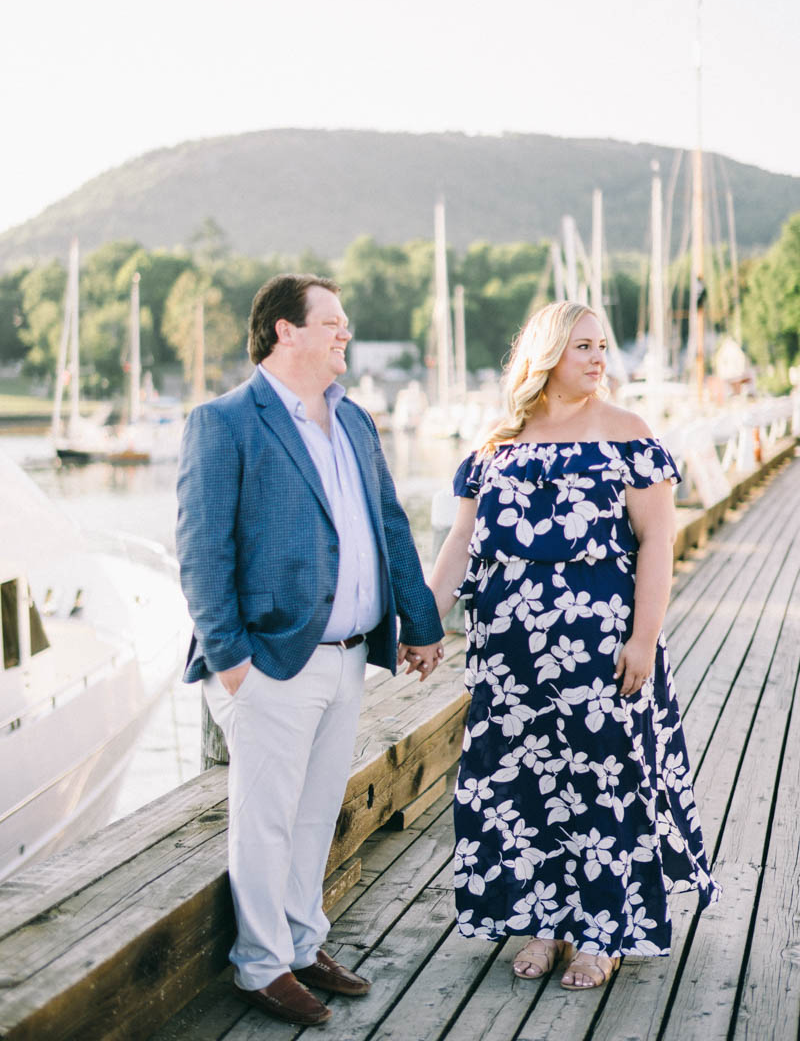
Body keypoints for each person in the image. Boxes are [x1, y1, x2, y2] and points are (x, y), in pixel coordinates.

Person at [176, 273, 444, 1026]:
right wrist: (231, 662)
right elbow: (201, 553)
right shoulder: (224, 422)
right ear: (284, 331)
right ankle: (259, 967)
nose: (345, 334)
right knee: (263, 817)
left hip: (350, 655)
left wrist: (419, 622)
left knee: (315, 809)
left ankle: (299, 942)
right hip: (270, 660)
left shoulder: (354, 420)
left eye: (345, 324)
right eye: (332, 322)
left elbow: (389, 525)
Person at [430, 301, 720, 990]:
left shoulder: (627, 433)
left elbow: (657, 540)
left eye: (602, 346)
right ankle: (540, 924)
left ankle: (601, 932)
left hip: (600, 651)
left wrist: (644, 637)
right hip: (509, 660)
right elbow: (459, 544)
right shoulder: (500, 441)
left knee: (601, 788)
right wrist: (420, 622)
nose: (598, 358)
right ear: (547, 353)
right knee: (525, 791)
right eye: (583, 346)